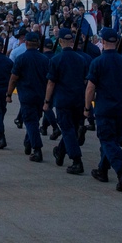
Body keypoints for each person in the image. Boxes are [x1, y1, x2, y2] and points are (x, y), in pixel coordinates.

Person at [86, 27, 122, 189]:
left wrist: (87, 108)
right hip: (120, 108)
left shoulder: (97, 62)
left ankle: (121, 173)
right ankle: (102, 170)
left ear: (103, 42)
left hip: (104, 108)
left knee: (107, 141)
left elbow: (90, 88)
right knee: (112, 139)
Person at [45, 29, 90, 174]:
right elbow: (85, 81)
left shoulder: (56, 60)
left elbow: (51, 83)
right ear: (72, 41)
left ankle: (77, 161)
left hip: (63, 100)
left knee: (67, 129)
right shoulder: (81, 59)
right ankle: (60, 151)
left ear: (59, 41)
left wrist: (47, 101)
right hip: (78, 99)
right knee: (71, 129)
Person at [7, 32, 51, 163]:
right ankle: (28, 142)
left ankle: (37, 149)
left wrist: (8, 94)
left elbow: (13, 79)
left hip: (26, 96)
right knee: (34, 121)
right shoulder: (45, 59)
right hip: (40, 96)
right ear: (38, 44)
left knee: (31, 122)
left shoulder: (21, 59)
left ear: (26, 43)